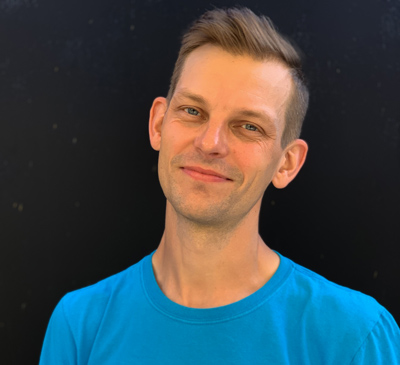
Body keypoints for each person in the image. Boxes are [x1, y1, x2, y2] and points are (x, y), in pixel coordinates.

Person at [40, 7, 400, 364]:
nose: (210, 143)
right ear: (158, 124)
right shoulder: (79, 325)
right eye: (193, 111)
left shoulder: (354, 336)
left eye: (248, 126)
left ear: (287, 164)